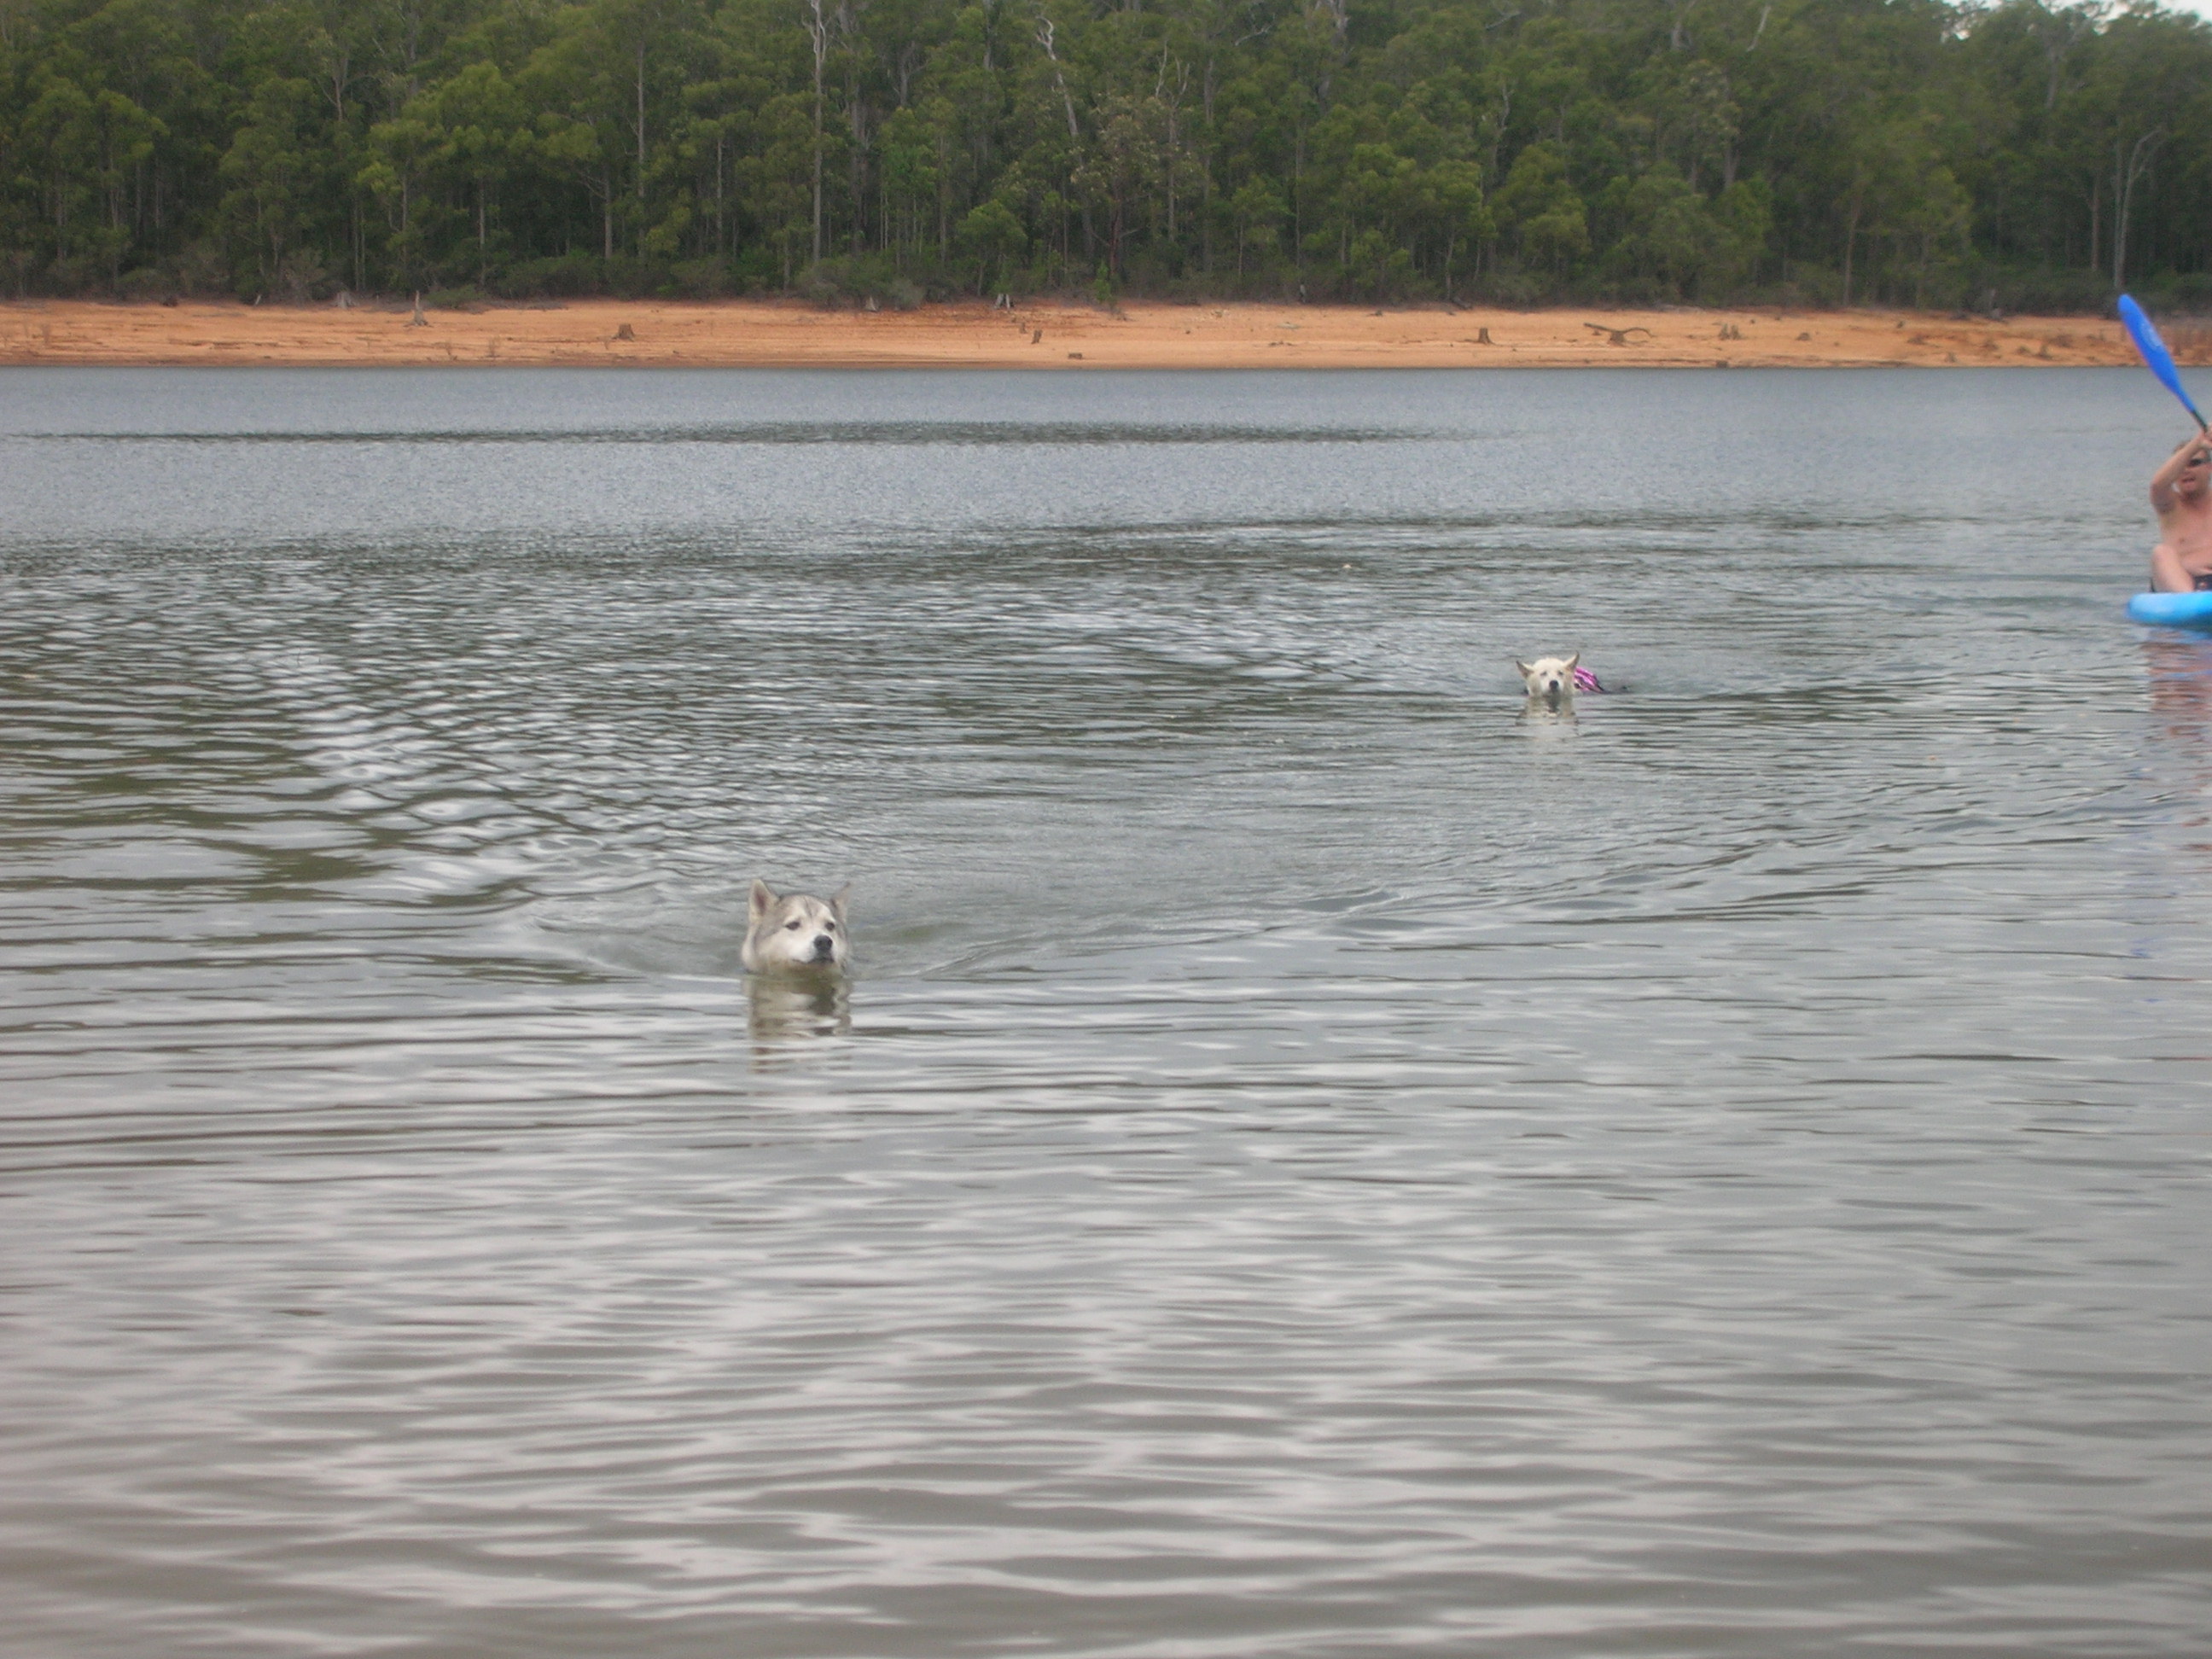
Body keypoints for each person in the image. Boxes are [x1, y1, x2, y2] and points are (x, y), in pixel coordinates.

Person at [2149, 429, 2212, 592]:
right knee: (2161, 553)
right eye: (2181, 466)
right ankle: (2191, 602)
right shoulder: (2169, 506)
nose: (2186, 470)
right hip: (2182, 586)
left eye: (2194, 463)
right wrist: (2199, 440)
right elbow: (2157, 485)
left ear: (2209, 467)